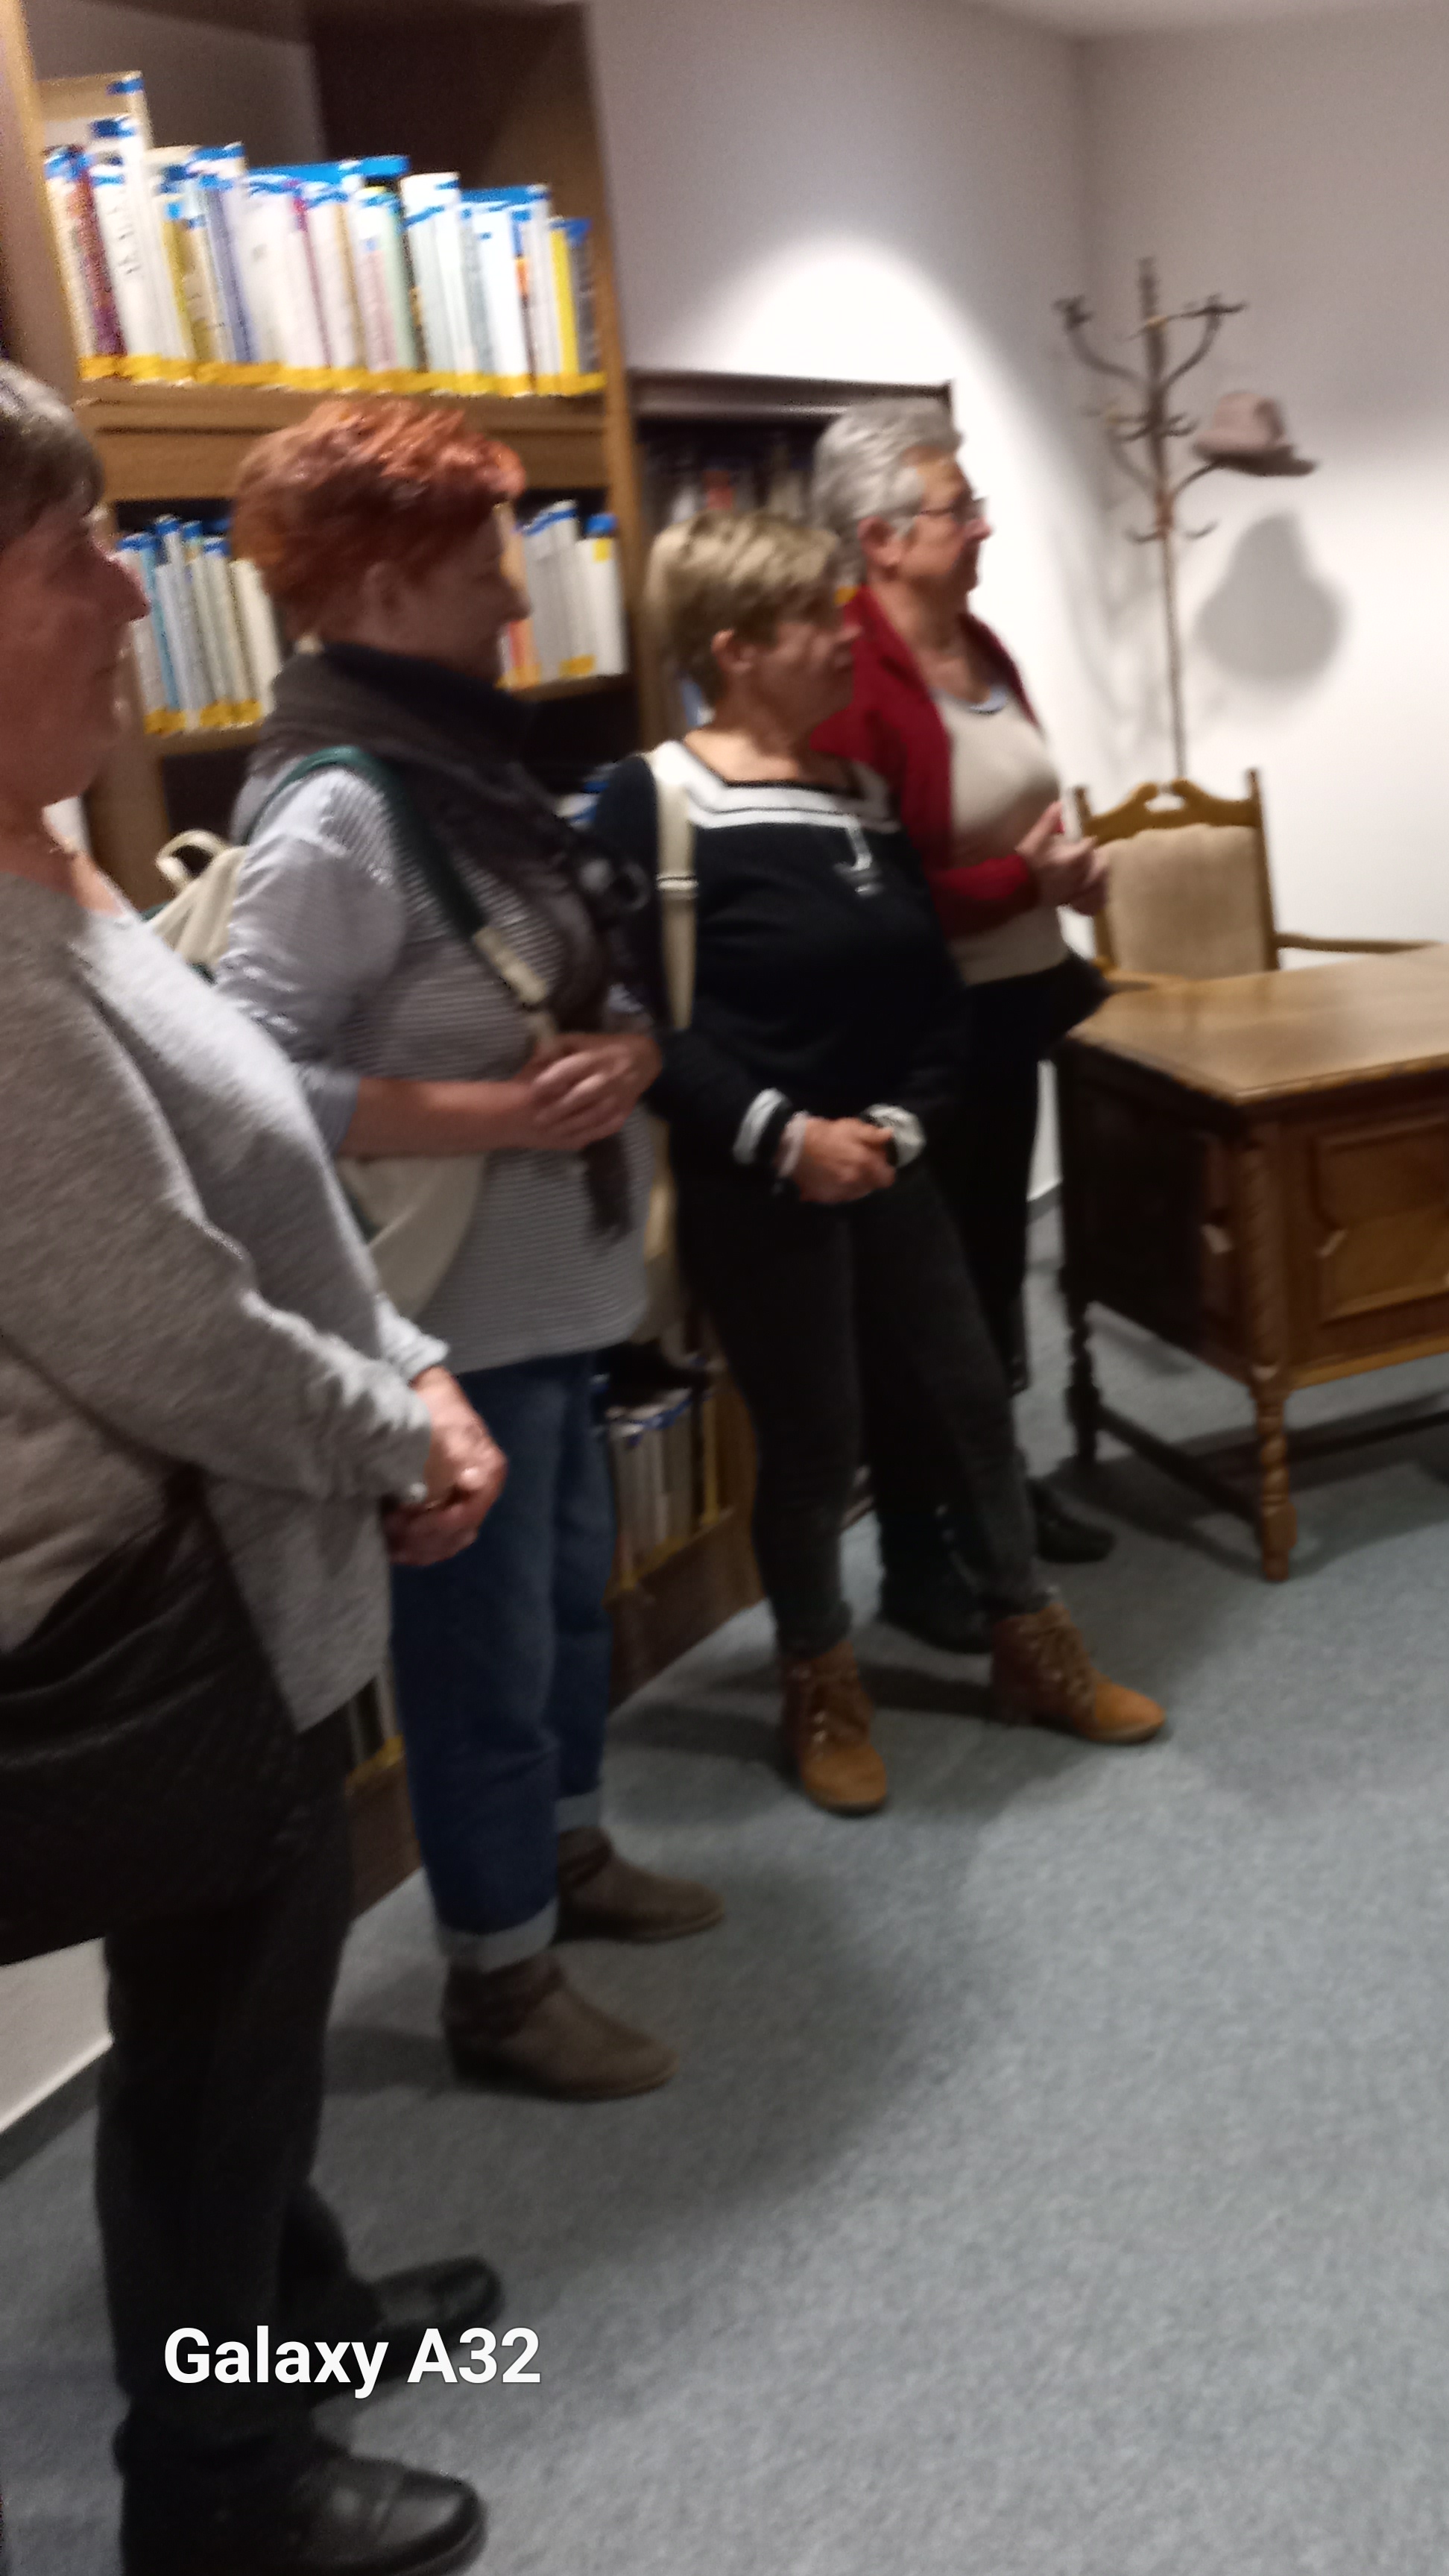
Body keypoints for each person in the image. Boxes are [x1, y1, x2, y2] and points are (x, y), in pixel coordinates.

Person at [0, 364, 494, 2576]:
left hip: (243, 1565)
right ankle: (220, 2489)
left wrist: (407, 1364)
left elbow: (254, 1170)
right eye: (73, 555)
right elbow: (169, 1329)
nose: (134, 596)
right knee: (216, 2052)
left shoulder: (49, 854)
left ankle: (287, 2325)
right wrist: (406, 1422)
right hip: (151, 1616)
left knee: (243, 2019)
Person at [220, 397, 720, 2102]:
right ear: (377, 584)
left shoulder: (464, 764)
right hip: (448, 1324)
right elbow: (242, 1085)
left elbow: (585, 977)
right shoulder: (340, 808)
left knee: (563, 1614)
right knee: (480, 1661)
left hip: (549, 1298)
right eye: (483, 561)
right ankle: (498, 1980)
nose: (518, 595)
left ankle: (563, 1857)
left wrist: (627, 1059)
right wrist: (497, 1111)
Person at [590, 511, 1165, 1813]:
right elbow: (639, 1024)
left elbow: (930, 994)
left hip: (892, 1161)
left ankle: (1031, 1646)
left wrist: (901, 1125)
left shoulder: (856, 794)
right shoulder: (653, 800)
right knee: (814, 1441)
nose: (842, 636)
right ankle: (821, 1684)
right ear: (736, 650)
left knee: (970, 1396)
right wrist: (787, 1137)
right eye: (811, 618)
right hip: (758, 1180)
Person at [809, 394, 1119, 1654]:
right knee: (918, 1299)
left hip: (1016, 1004)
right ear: (880, 538)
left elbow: (1019, 804)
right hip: (923, 1030)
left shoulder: (979, 641)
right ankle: (918, 1547)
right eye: (958, 509)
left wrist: (1064, 876)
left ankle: (998, 1494)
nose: (981, 526)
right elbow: (865, 888)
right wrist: (1018, 884)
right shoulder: (849, 670)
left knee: (992, 1271)